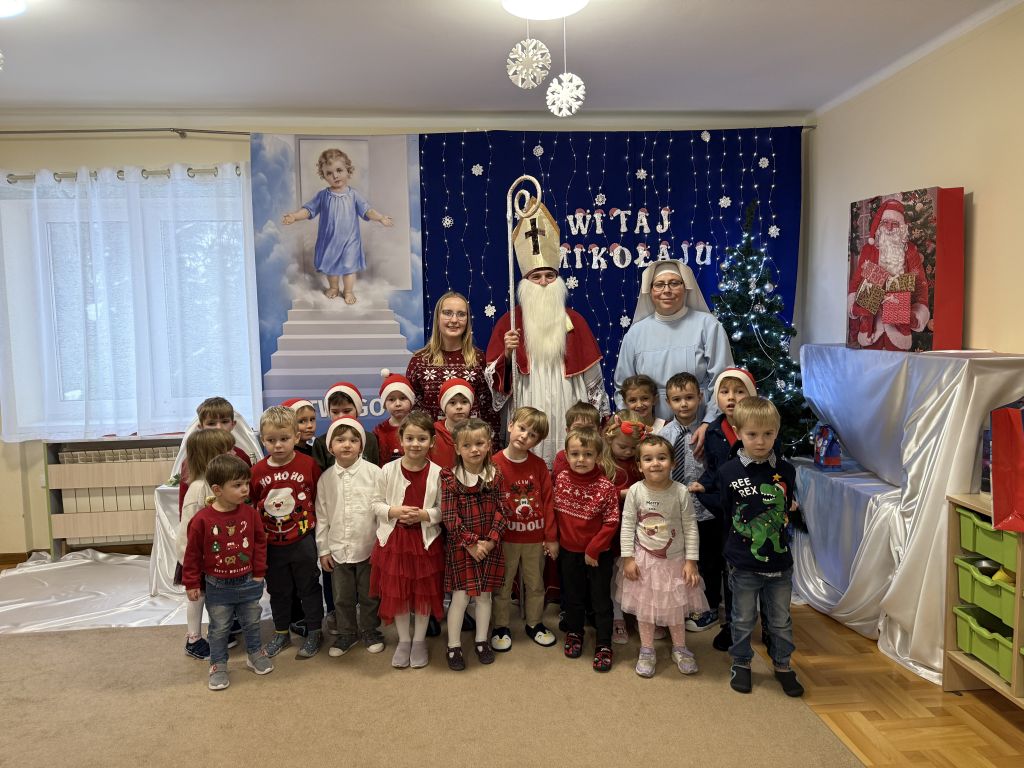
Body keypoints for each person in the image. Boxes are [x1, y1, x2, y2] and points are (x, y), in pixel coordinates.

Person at [485, 200, 609, 467]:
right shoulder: (510, 322)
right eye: (536, 277)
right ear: (525, 282)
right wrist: (507, 354)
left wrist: (598, 420)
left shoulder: (575, 321)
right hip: (527, 397)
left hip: (569, 399)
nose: (543, 283)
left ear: (558, 280)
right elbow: (495, 385)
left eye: (549, 276)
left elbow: (593, 381)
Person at [711, 397, 803, 697]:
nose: (760, 441)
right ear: (739, 433)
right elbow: (727, 512)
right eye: (752, 434)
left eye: (768, 434)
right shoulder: (728, 471)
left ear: (776, 433)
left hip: (780, 564)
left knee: (780, 621)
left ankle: (783, 664)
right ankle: (741, 662)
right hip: (743, 563)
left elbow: (787, 507)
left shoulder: (786, 470)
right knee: (742, 618)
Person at [614, 259, 733, 456]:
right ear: (650, 291)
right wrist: (633, 425)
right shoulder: (635, 333)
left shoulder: (708, 325)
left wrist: (708, 423)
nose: (667, 290)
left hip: (699, 427)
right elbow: (622, 387)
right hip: (649, 432)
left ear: (685, 288)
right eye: (659, 284)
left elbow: (723, 381)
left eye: (674, 283)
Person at [690, 368, 771, 652]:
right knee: (731, 567)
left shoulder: (762, 427)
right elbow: (714, 469)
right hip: (727, 510)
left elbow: (776, 467)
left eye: (739, 392)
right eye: (725, 392)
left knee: (764, 566)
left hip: (757, 508)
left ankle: (770, 626)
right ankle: (733, 625)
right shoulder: (713, 431)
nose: (732, 398)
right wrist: (703, 485)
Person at [616, 435, 707, 677]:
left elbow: (690, 527)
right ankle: (647, 650)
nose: (655, 463)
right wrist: (628, 558)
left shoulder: (681, 492)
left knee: (675, 609)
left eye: (662, 458)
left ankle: (680, 648)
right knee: (645, 609)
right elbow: (627, 525)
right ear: (639, 465)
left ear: (672, 463)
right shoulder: (635, 491)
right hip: (643, 562)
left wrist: (691, 561)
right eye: (648, 459)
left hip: (675, 563)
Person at [182, 454, 271, 691]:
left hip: (248, 581)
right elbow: (192, 554)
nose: (245, 489)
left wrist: (259, 572)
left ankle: (255, 653)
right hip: (217, 585)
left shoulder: (250, 514)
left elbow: (259, 543)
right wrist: (192, 582)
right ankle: (218, 664)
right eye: (237, 485)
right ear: (217, 490)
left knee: (252, 622)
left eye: (246, 483)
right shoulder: (201, 520)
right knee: (219, 628)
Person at [369, 411, 445, 670]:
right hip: (395, 541)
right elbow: (375, 504)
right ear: (400, 440)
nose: (415, 444)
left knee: (423, 594)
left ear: (431, 441)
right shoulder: (387, 470)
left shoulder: (438, 473)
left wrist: (424, 515)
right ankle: (404, 640)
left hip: (425, 542)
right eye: (409, 438)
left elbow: (443, 510)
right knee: (398, 594)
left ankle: (419, 641)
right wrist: (394, 511)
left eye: (422, 439)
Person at [249, 406, 323, 660]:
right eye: (271, 440)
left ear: (296, 436)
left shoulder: (308, 464)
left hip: (302, 540)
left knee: (308, 587)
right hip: (272, 543)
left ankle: (314, 631)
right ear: (263, 440)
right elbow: (254, 502)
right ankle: (281, 632)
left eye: (284, 438)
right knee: (278, 590)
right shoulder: (257, 471)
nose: (278, 445)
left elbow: (317, 497)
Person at [281, 148, 393, 304]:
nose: (335, 176)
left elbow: (367, 210)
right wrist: (294, 216)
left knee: (349, 267)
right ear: (324, 176)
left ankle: (348, 291)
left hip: (350, 241)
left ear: (348, 170)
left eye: (339, 170)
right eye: (329, 173)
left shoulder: (354, 195)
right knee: (331, 268)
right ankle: (333, 287)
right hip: (329, 241)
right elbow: (308, 210)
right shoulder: (323, 196)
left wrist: (380, 218)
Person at [315, 417, 386, 658]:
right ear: (330, 446)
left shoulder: (374, 473)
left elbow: (382, 510)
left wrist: (382, 543)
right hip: (338, 549)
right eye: (340, 440)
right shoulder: (325, 479)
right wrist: (324, 550)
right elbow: (322, 516)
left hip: (369, 546)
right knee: (342, 596)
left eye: (353, 440)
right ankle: (347, 632)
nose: (347, 444)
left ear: (361, 446)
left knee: (369, 594)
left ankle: (370, 630)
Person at [441, 419, 507, 671]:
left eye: (479, 443)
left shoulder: (495, 475)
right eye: (467, 445)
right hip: (462, 548)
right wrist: (470, 543)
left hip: (488, 546)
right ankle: (453, 645)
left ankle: (481, 641)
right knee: (460, 598)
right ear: (457, 449)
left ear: (489, 445)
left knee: (484, 596)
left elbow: (503, 510)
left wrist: (489, 542)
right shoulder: (449, 478)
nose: (474, 449)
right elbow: (450, 517)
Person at [491, 406, 558, 651]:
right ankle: (500, 627)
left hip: (534, 539)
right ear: (510, 425)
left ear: (537, 442)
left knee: (535, 584)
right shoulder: (493, 463)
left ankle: (535, 623)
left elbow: (548, 502)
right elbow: (489, 502)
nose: (524, 436)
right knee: (503, 585)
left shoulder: (539, 466)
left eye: (532, 435)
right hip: (505, 538)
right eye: (521, 428)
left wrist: (551, 537)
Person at [554, 427, 620, 672]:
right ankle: (574, 632)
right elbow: (555, 513)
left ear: (598, 457)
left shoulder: (605, 487)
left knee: (600, 600)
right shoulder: (561, 479)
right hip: (568, 552)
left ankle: (603, 643)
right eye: (575, 454)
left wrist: (593, 549)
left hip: (597, 555)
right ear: (566, 455)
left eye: (588, 454)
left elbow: (611, 521)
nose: (581, 459)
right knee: (573, 596)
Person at [659, 372, 718, 635]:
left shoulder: (710, 433)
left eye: (689, 398)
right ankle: (682, 606)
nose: (684, 404)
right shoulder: (664, 434)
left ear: (700, 397)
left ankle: (709, 608)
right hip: (675, 512)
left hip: (705, 510)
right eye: (677, 399)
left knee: (708, 560)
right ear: (668, 402)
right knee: (679, 560)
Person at [406, 291, 501, 441]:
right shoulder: (419, 360)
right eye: (448, 313)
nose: (454, 320)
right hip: (432, 445)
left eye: (461, 314)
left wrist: (491, 445)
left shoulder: (478, 359)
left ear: (467, 320)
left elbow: (488, 411)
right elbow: (411, 411)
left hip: (470, 445)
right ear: (437, 317)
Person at [175, 428, 236, 660]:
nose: (233, 454)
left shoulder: (219, 485)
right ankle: (193, 638)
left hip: (217, 556)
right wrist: (191, 562)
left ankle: (218, 630)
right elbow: (187, 530)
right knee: (197, 596)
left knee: (217, 595)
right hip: (197, 559)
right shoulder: (198, 489)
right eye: (227, 451)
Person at [847, 198, 931, 351]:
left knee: (900, 366)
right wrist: (855, 307)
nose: (889, 228)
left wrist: (915, 317)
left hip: (899, 333)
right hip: (871, 331)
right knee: (869, 366)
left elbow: (920, 286)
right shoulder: (869, 250)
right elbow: (856, 282)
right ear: (880, 226)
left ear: (902, 227)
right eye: (885, 222)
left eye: (895, 223)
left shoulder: (910, 251)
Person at [603, 411, 645, 645]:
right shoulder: (604, 464)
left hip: (640, 527)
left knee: (638, 571)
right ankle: (617, 616)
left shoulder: (640, 463)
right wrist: (622, 494)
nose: (628, 452)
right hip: (613, 527)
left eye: (633, 448)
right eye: (623, 447)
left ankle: (641, 615)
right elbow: (597, 494)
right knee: (614, 573)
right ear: (609, 439)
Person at [178, 396, 255, 516]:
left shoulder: (240, 456)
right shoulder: (192, 461)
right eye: (211, 423)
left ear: (233, 424)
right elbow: (185, 505)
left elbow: (248, 493)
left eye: (224, 422)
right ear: (201, 427)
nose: (219, 427)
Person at [312, 382, 380, 470]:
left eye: (347, 411)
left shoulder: (370, 439)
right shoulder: (321, 443)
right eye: (335, 412)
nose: (341, 416)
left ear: (357, 410)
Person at [429, 378, 473, 470]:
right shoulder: (432, 432)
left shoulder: (478, 432)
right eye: (452, 403)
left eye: (464, 402)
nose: (459, 407)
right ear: (444, 407)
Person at [551, 401, 601, 477]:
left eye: (589, 428)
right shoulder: (561, 457)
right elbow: (556, 482)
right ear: (568, 431)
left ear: (599, 431)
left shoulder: (604, 458)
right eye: (577, 428)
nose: (583, 433)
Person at [374, 372, 415, 466]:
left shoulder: (420, 427)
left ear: (411, 401)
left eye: (403, 398)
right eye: (391, 399)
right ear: (384, 404)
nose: (398, 404)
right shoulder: (379, 431)